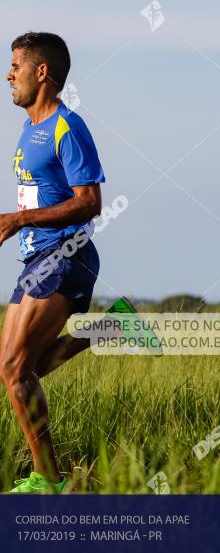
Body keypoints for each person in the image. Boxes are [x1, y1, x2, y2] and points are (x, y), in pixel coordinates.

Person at [1, 32, 136, 493]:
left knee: (15, 367)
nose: (8, 75)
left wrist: (20, 218)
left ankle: (49, 480)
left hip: (65, 253)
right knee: (20, 367)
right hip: (38, 256)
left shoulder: (67, 126)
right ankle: (109, 326)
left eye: (15, 66)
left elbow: (90, 202)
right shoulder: (27, 131)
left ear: (42, 72)